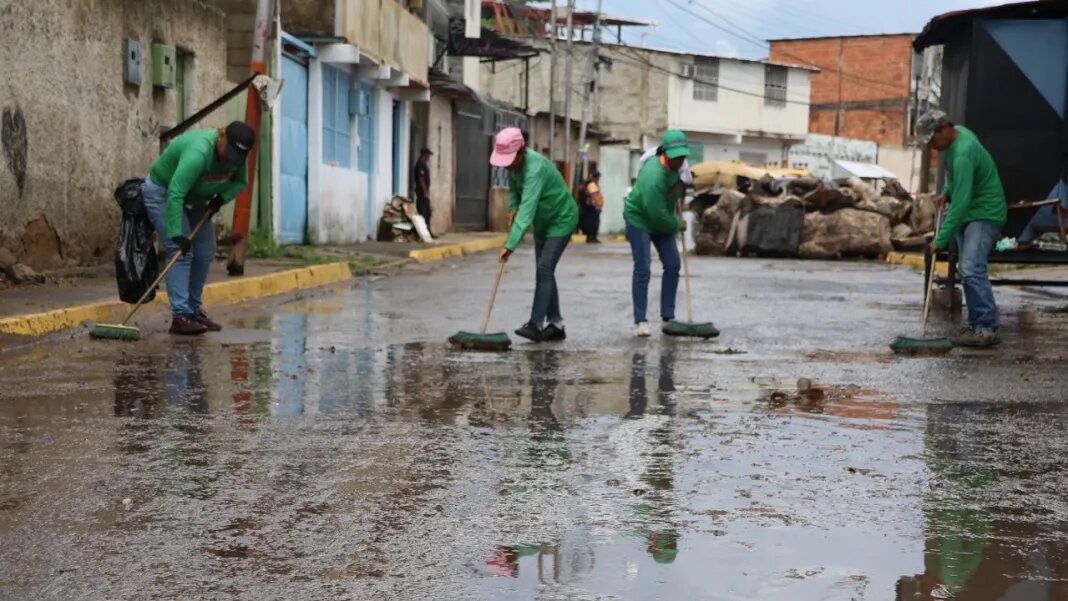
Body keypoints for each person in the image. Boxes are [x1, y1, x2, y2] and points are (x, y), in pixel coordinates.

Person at [142, 121, 255, 335]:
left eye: (236, 156)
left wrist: (221, 198)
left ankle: (193, 310)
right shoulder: (199, 153)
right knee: (180, 251)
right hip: (164, 192)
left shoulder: (238, 156)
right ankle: (180, 316)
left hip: (196, 197)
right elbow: (176, 192)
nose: (230, 159)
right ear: (221, 135)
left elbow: (241, 182)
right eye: (228, 151)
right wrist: (177, 234)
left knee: (204, 251)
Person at [918, 109, 1007, 347]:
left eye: (933, 140)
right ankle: (977, 325)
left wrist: (940, 240)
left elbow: (961, 203)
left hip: (984, 213)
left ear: (944, 129)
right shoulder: (961, 136)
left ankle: (986, 328)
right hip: (970, 213)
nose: (933, 148)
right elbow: (958, 181)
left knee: (971, 268)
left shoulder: (963, 153)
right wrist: (946, 191)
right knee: (967, 269)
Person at [492, 127, 579, 343]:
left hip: (562, 218)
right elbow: (514, 190)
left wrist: (510, 245)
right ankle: (556, 324)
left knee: (544, 268)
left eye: (510, 159)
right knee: (545, 270)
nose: (508, 165)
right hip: (543, 223)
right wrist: (512, 207)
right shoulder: (515, 167)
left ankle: (535, 324)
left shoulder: (534, 168)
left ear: (521, 151)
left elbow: (527, 211)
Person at [625, 130, 689, 337]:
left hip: (660, 217)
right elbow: (656, 214)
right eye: (676, 156)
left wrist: (681, 186)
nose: (680, 160)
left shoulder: (679, 167)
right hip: (639, 218)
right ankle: (640, 321)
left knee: (673, 264)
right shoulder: (654, 175)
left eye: (682, 156)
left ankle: (668, 317)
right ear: (666, 153)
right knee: (643, 267)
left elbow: (675, 193)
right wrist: (677, 225)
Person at [413, 146, 434, 237]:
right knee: (423, 213)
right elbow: (421, 179)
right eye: (428, 155)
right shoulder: (420, 165)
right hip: (421, 193)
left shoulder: (424, 164)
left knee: (428, 212)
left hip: (424, 193)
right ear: (424, 155)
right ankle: (423, 233)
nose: (429, 157)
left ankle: (428, 231)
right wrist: (425, 191)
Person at [579, 170, 604, 243]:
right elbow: (594, 196)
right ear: (595, 178)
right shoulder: (592, 184)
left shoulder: (593, 184)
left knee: (593, 222)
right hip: (592, 206)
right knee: (592, 222)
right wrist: (598, 206)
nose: (598, 179)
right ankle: (591, 237)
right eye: (598, 177)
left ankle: (592, 237)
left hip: (591, 206)